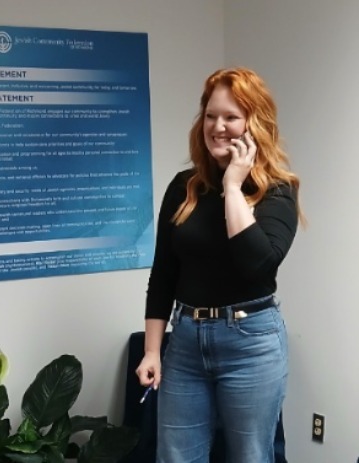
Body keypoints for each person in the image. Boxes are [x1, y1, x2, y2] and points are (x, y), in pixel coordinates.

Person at [136, 67, 303, 463]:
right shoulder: (184, 186)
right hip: (186, 342)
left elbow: (257, 265)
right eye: (211, 116)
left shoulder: (277, 190)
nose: (218, 127)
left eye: (231, 117)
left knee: (250, 456)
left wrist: (232, 185)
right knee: (175, 456)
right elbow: (163, 275)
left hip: (251, 344)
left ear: (254, 124)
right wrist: (152, 351)